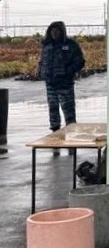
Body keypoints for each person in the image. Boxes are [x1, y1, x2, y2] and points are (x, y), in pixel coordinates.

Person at [37, 21, 85, 153]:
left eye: (57, 31)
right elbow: (42, 61)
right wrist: (40, 71)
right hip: (50, 83)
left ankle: (72, 142)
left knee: (69, 112)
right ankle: (55, 139)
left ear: (61, 32)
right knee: (53, 111)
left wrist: (67, 71)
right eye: (52, 31)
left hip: (65, 84)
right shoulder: (47, 45)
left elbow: (80, 61)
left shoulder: (71, 44)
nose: (54, 33)